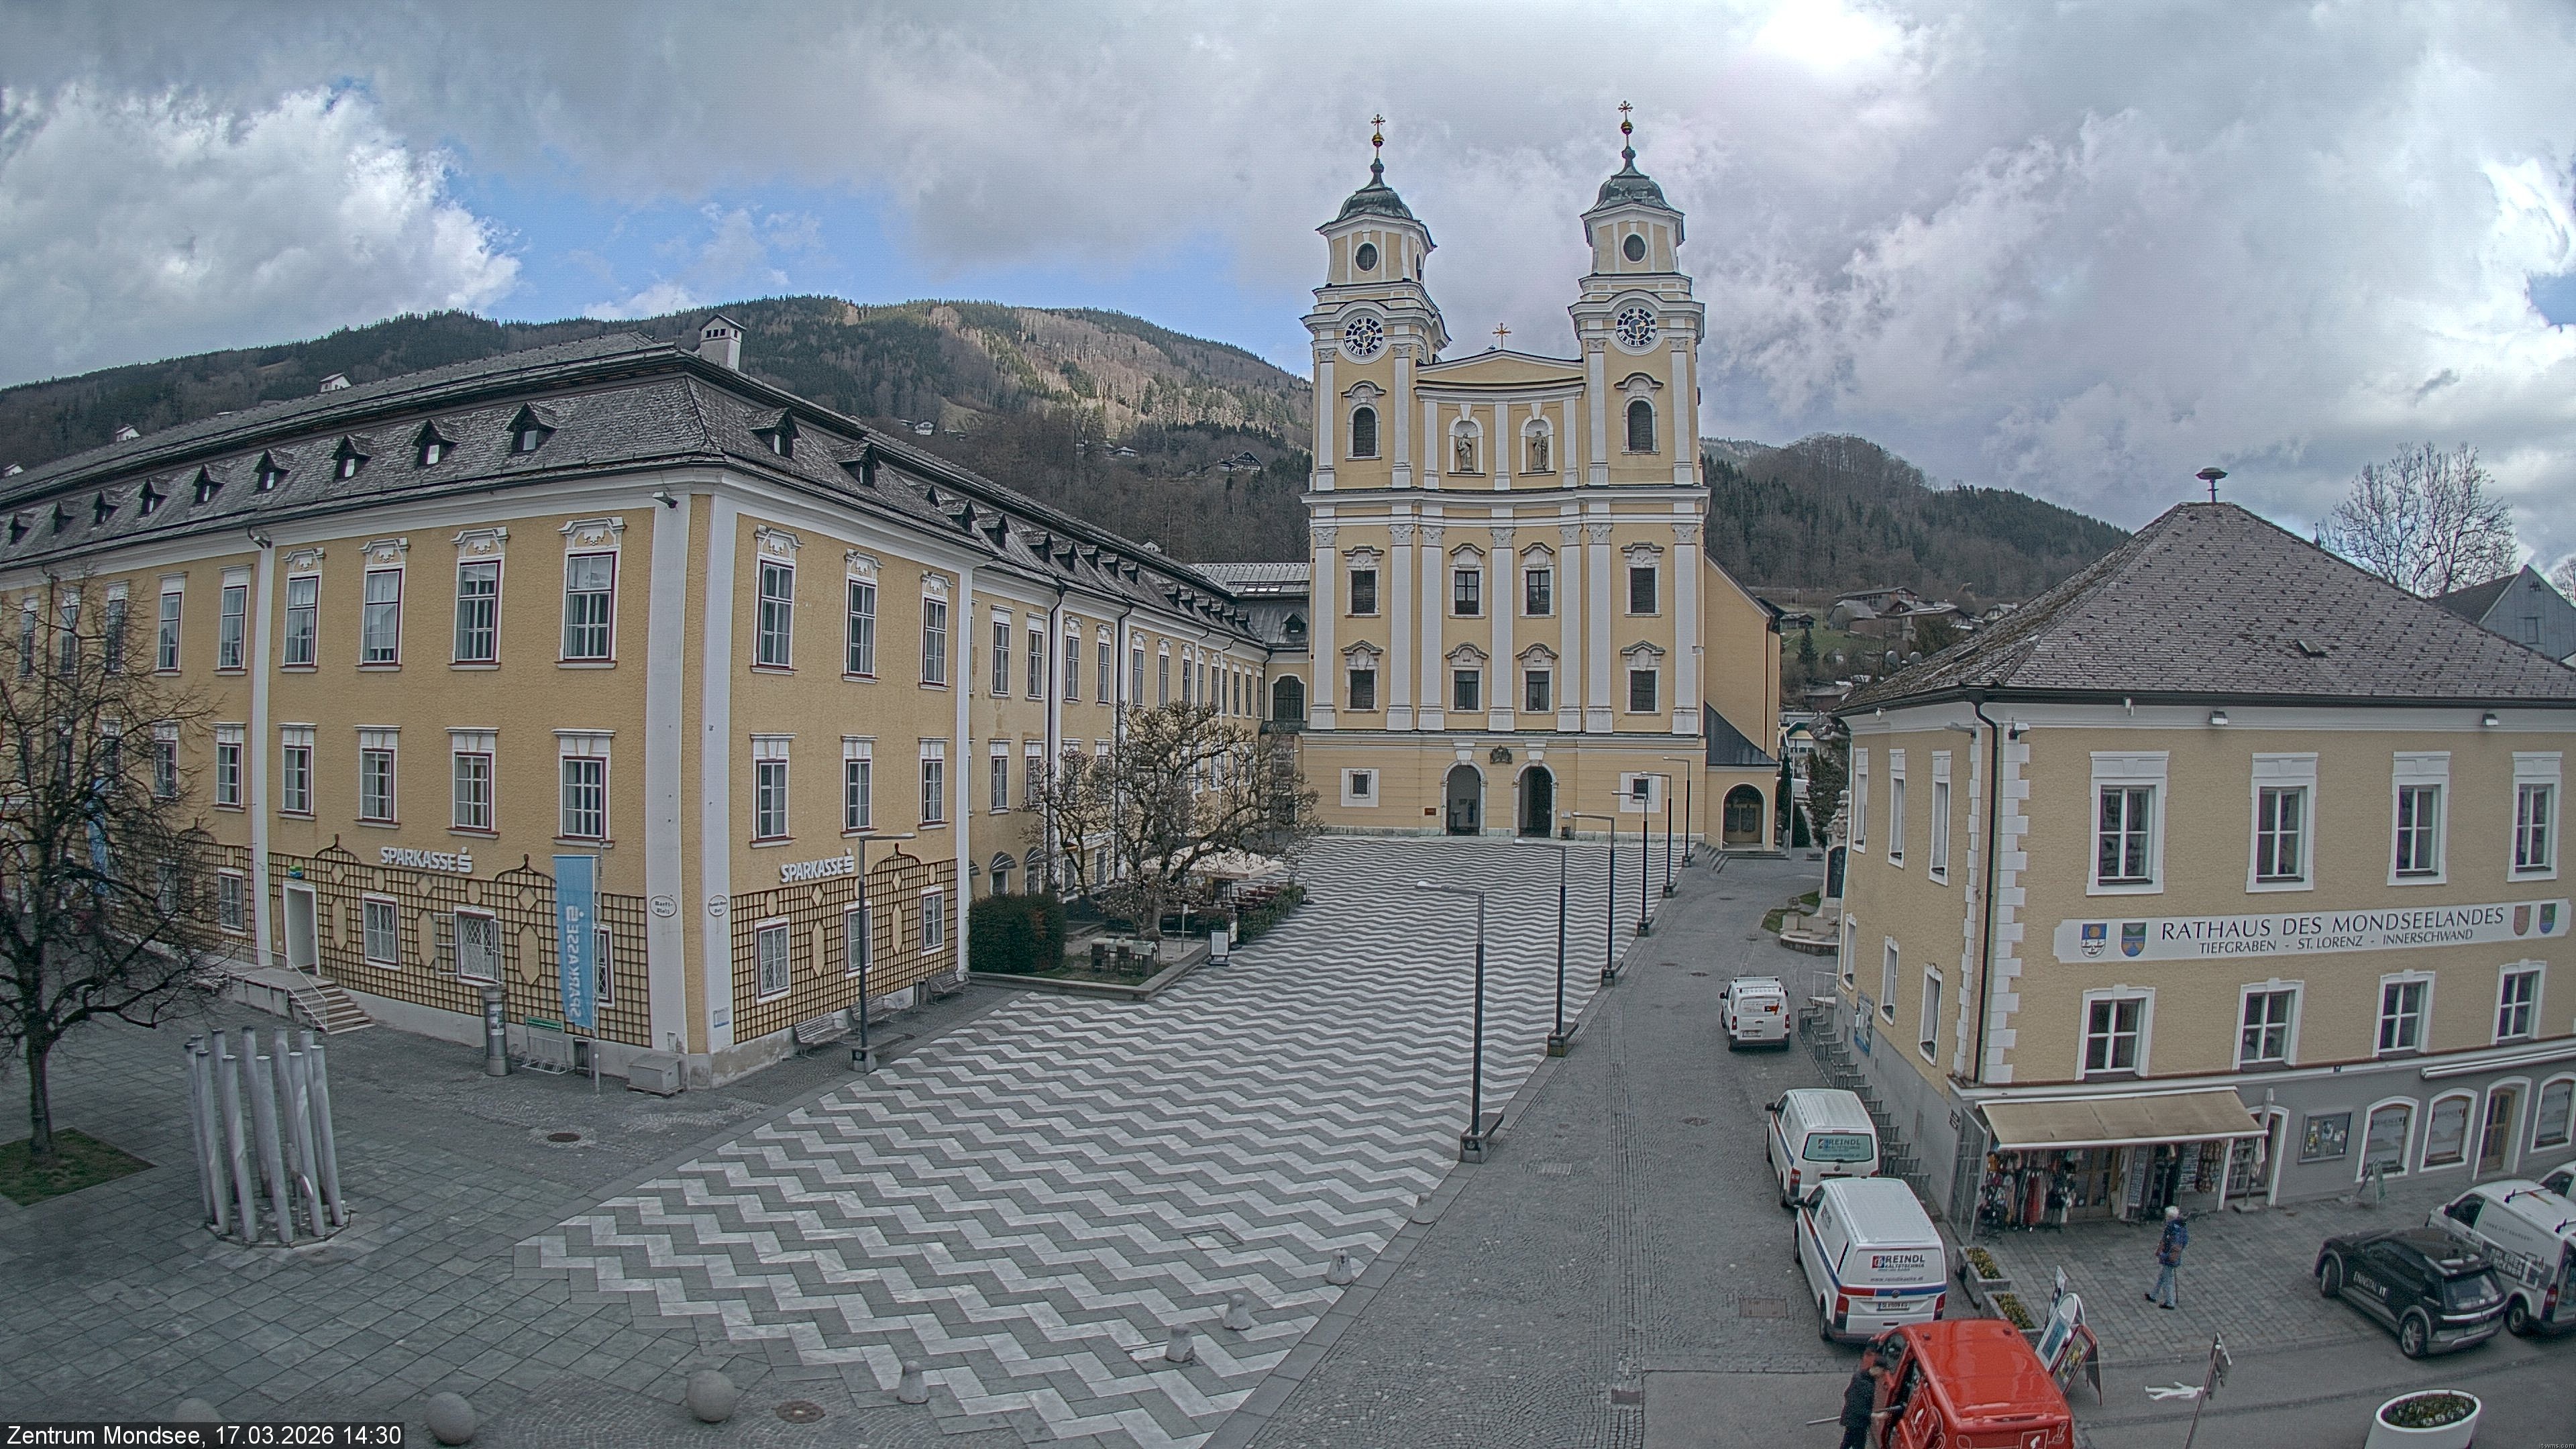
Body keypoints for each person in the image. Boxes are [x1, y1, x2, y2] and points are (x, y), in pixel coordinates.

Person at [1837, 1347, 1884, 1449]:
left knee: (1847, 1441)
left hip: (1851, 1418)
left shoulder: (1860, 1376)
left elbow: (1847, 1394)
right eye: (1883, 1371)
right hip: (1857, 1422)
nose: (1883, 1374)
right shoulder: (1866, 1385)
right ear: (1877, 1368)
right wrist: (1875, 1415)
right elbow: (1859, 1407)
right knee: (1858, 1445)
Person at [2145, 1203, 2188, 1309]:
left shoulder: (2173, 1229)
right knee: (2162, 1277)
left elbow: (2168, 1243)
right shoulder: (2180, 1228)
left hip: (2169, 1258)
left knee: (2167, 1280)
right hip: (2173, 1257)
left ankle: (2169, 1302)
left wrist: (2161, 1253)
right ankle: (2153, 1295)